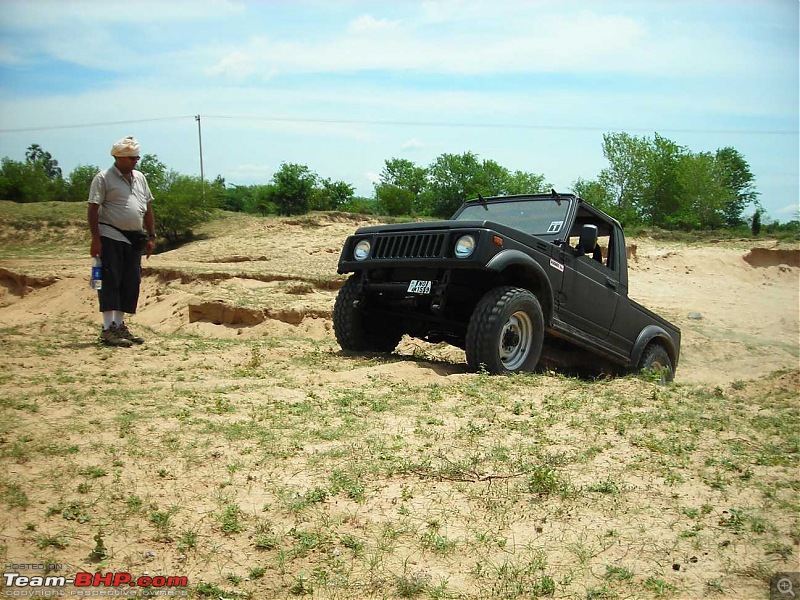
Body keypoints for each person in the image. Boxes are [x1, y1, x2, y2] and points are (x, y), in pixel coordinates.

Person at [87, 136, 156, 347]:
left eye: (137, 157)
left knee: (130, 281)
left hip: (134, 238)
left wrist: (152, 235)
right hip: (111, 235)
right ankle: (108, 329)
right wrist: (96, 239)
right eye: (131, 157)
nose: (136, 160)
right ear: (118, 157)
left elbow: (148, 207)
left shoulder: (140, 178)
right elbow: (93, 209)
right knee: (110, 280)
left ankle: (120, 325)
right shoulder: (103, 178)